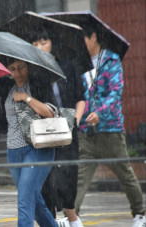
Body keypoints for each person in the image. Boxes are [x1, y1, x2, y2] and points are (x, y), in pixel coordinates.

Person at [75, 25, 146, 227]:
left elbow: (115, 93)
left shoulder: (111, 60)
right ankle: (72, 217)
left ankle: (139, 214)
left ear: (94, 37)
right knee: (80, 177)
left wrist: (100, 113)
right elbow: (79, 94)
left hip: (111, 130)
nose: (80, 45)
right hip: (86, 132)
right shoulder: (79, 63)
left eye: (83, 40)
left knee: (125, 173)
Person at [0, 57, 58, 227]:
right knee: (35, 202)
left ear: (28, 66)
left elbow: (50, 113)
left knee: (25, 200)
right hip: (13, 150)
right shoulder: (6, 86)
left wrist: (27, 98)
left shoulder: (40, 83)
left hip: (38, 148)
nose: (17, 73)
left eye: (21, 67)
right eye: (12, 69)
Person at [30, 27, 85, 227]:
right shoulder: (33, 72)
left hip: (69, 129)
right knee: (48, 179)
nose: (39, 47)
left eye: (43, 42)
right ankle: (52, 221)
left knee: (69, 175)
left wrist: (76, 119)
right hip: (46, 131)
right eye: (35, 44)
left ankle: (73, 219)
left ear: (52, 42)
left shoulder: (68, 67)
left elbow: (80, 97)